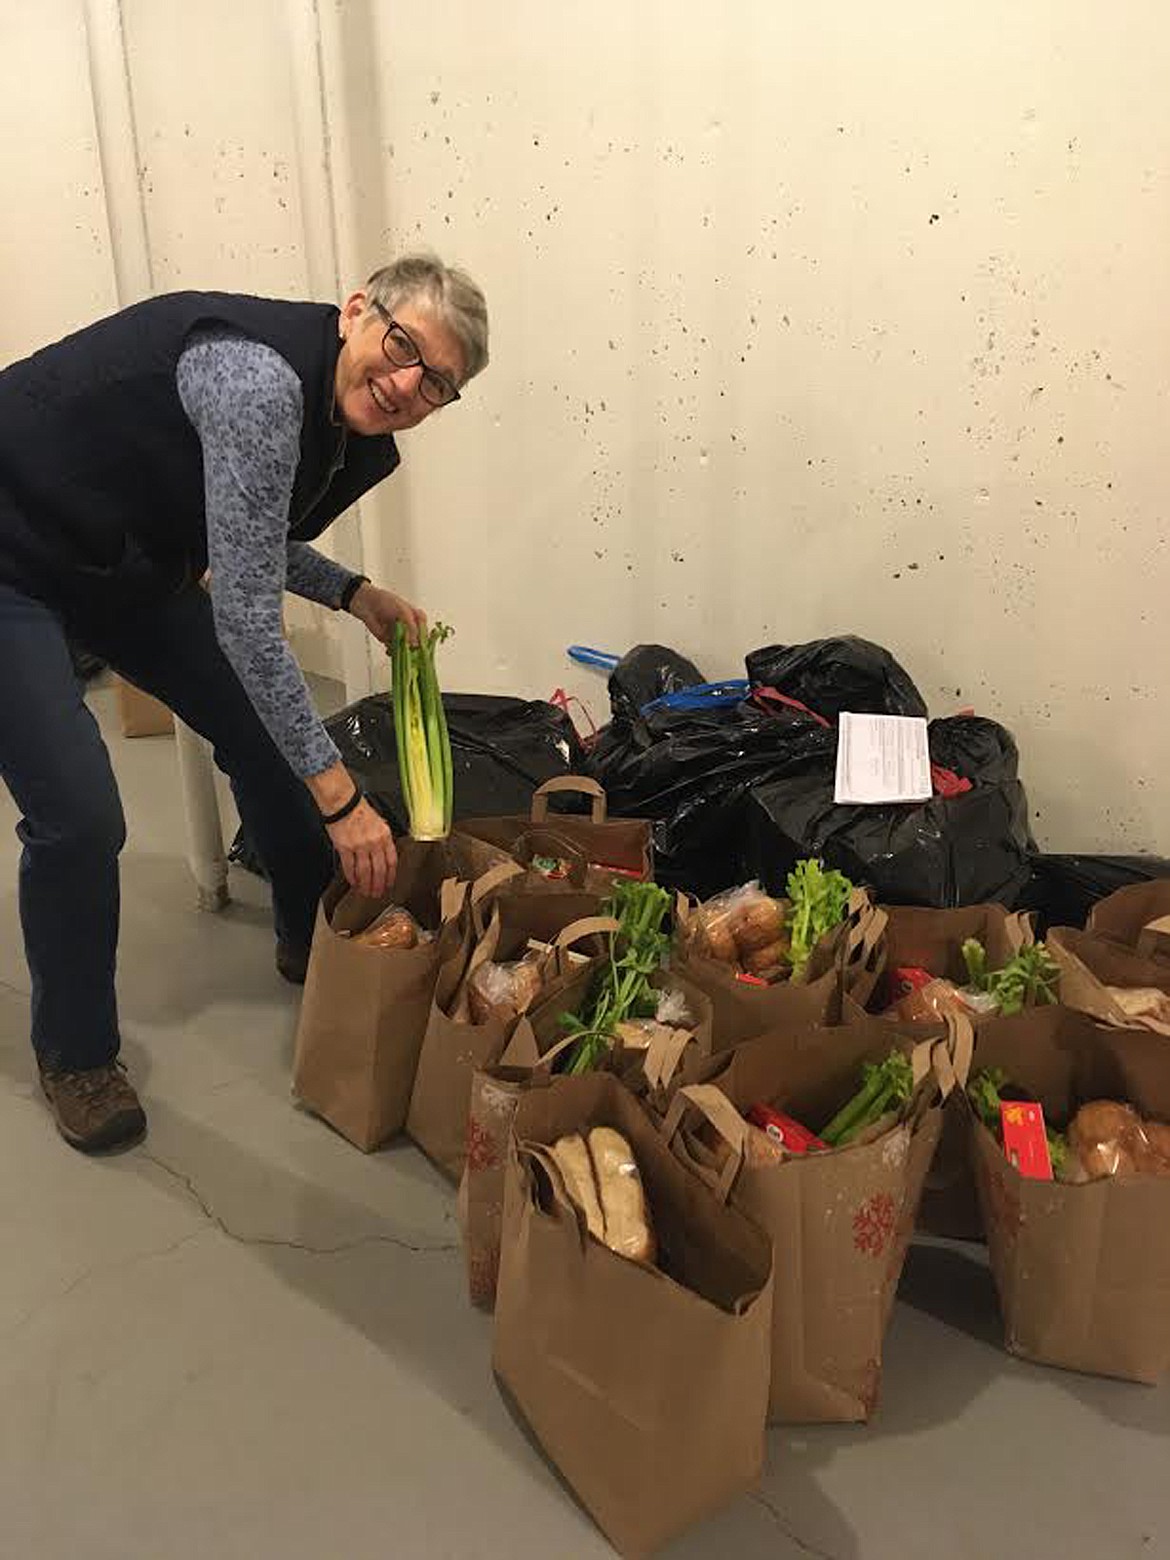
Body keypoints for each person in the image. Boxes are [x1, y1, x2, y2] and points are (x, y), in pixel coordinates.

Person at [0, 252, 489, 1154]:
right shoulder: (261, 381)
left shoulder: (347, 424)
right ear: (355, 311)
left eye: (439, 385)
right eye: (404, 346)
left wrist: (353, 591)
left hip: (120, 555)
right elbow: (247, 622)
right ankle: (75, 1054)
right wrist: (342, 802)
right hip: (12, 543)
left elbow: (243, 525)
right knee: (78, 815)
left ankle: (316, 939)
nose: (409, 384)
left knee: (267, 737)